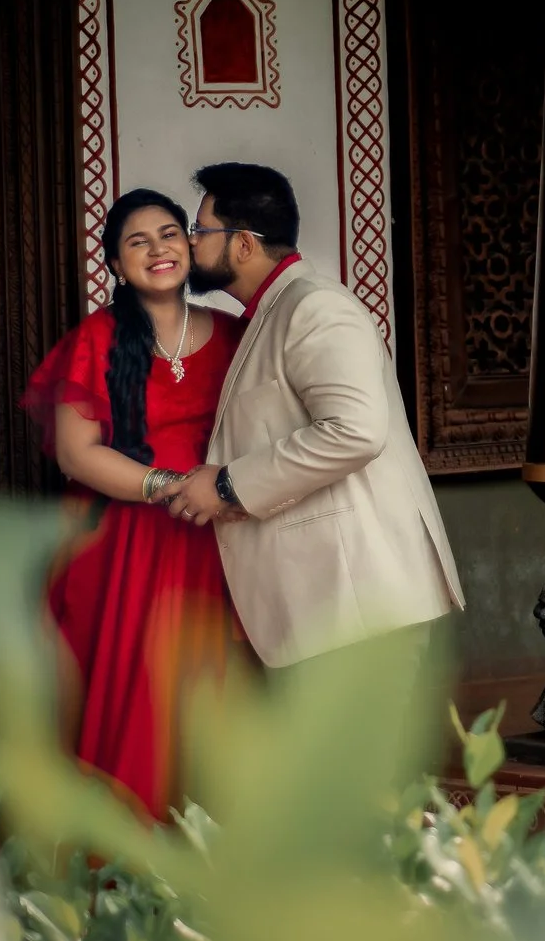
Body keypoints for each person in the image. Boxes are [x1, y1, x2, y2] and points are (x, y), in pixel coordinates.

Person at [159, 162, 464, 666]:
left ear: (243, 244)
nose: (191, 243)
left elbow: (356, 432)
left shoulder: (315, 307)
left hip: (362, 603)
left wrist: (226, 485)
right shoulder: (272, 313)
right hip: (331, 606)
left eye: (201, 230)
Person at [22, 187, 241, 818]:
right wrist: (168, 486)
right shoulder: (96, 338)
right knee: (136, 693)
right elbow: (74, 452)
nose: (158, 249)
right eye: (136, 241)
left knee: (215, 691)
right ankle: (128, 864)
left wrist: (218, 494)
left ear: (191, 247)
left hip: (219, 538)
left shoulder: (235, 336)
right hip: (124, 545)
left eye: (171, 233)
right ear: (116, 265)